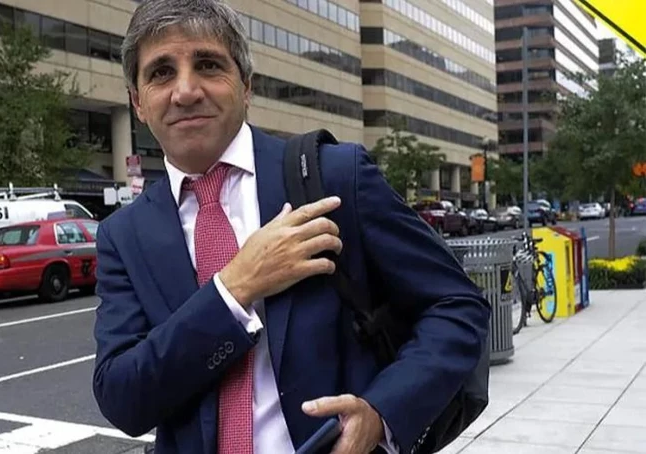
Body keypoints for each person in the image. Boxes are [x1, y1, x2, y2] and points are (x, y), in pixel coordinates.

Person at [92, 0, 491, 453]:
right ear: (137, 102)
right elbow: (122, 398)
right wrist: (234, 288)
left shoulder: (333, 176)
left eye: (208, 65)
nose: (185, 91)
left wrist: (380, 413)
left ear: (246, 85)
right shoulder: (123, 235)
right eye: (161, 72)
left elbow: (458, 306)